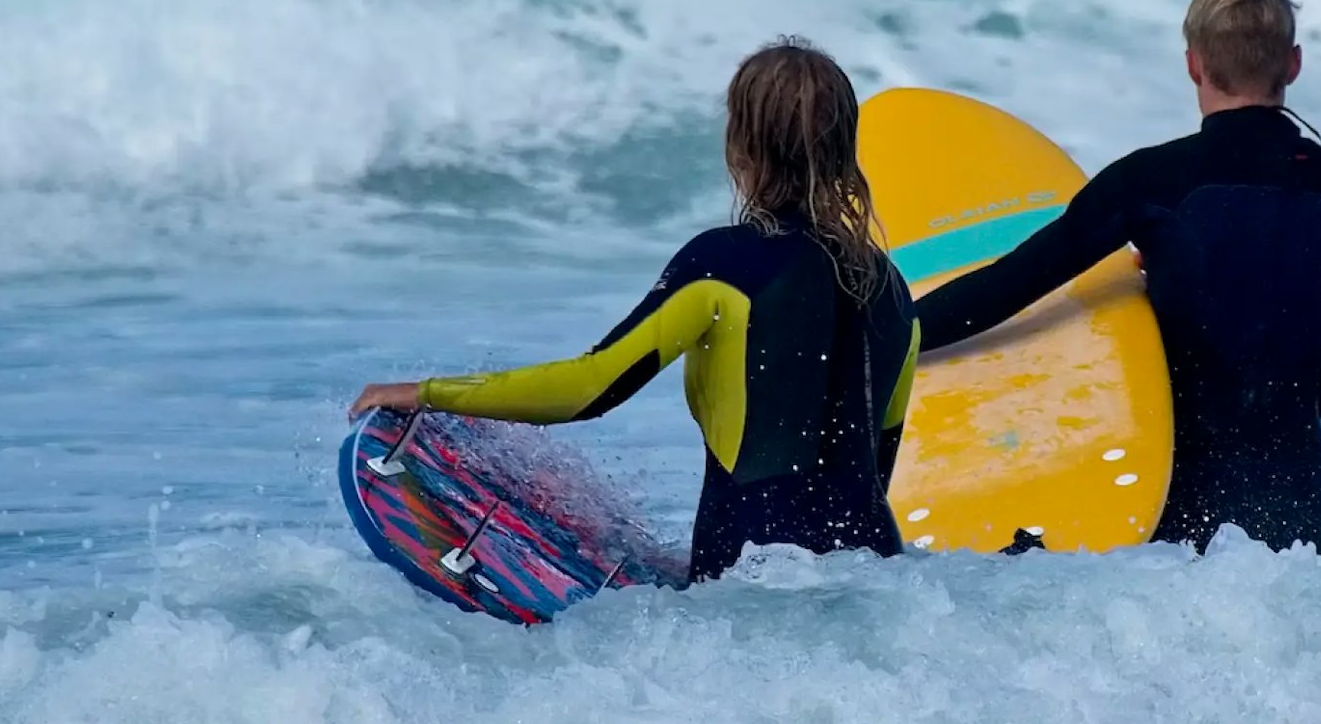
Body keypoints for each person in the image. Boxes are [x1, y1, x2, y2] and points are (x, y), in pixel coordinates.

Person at [351, 39, 920, 582]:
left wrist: (428, 392)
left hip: (751, 586)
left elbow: (592, 387)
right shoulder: (893, 291)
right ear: (845, 144)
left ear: (741, 144)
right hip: (878, 575)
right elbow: (877, 466)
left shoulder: (725, 265)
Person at [916, 0, 1321, 554]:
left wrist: (891, 334)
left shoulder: (1154, 179)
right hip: (1303, 518)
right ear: (1293, 64)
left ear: (1193, 65)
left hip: (1177, 513)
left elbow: (1011, 285)